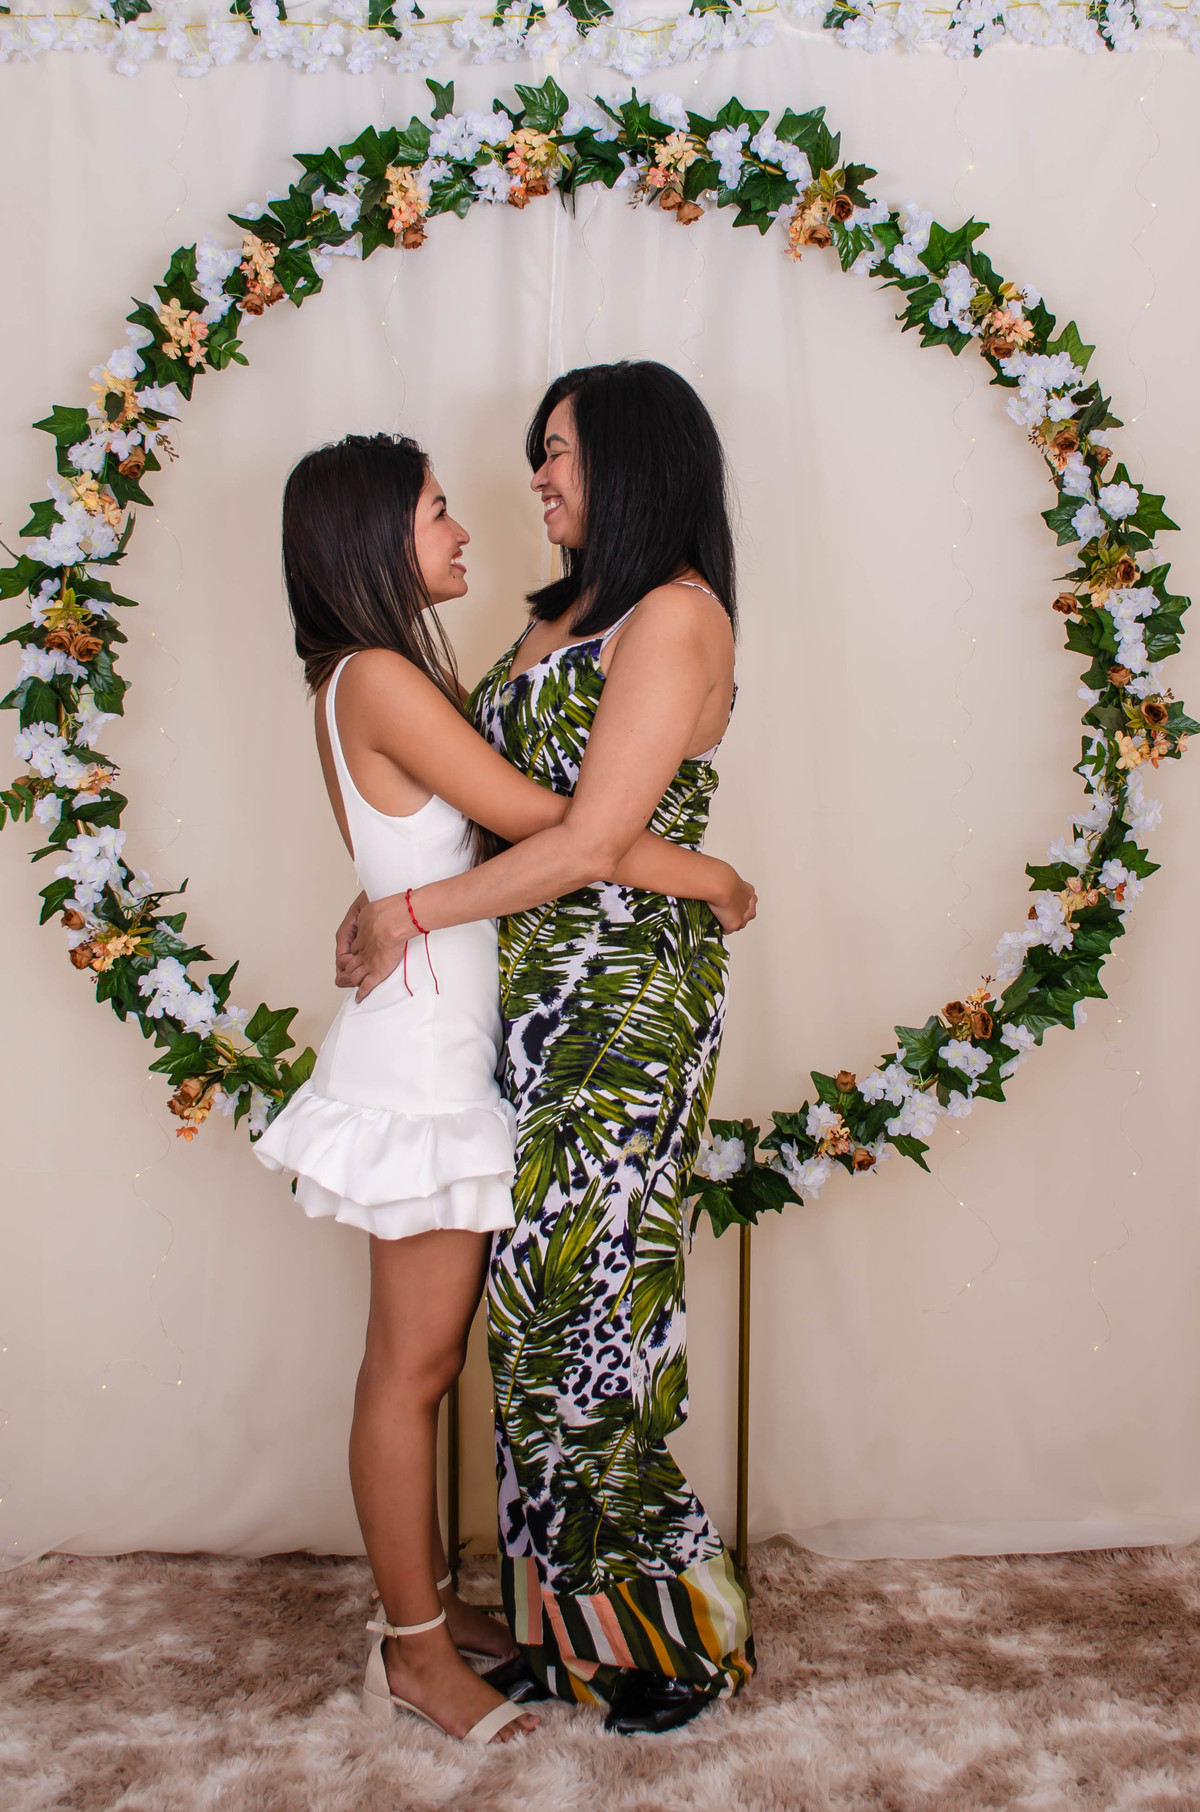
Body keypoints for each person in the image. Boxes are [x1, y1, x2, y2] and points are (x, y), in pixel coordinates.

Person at [255, 431, 755, 1744]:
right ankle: (417, 1656)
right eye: (436, 512)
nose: (466, 527)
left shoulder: (376, 676)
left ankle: (436, 1615)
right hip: (423, 1060)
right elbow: (561, 827)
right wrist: (710, 876)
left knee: (428, 1361)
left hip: (448, 1043)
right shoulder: (380, 678)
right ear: (373, 540)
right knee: (411, 1369)